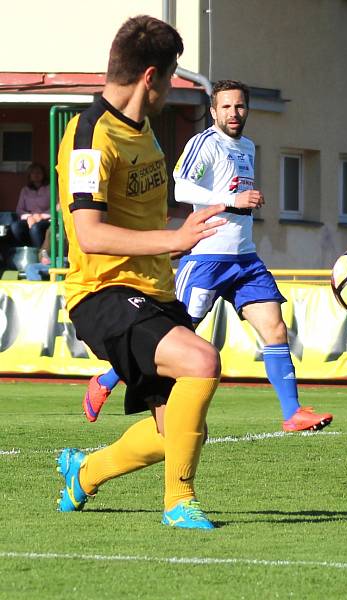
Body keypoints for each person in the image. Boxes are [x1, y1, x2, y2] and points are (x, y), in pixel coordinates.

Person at [55, 15, 229, 529]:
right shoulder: (90, 136)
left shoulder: (144, 129)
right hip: (103, 292)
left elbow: (139, 215)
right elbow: (90, 234)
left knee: (175, 430)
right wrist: (174, 241)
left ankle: (83, 474)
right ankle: (179, 502)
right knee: (202, 360)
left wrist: (186, 225)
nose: (174, 87)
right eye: (173, 75)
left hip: (153, 291)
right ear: (150, 76)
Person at [81, 80, 333, 433]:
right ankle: (106, 380)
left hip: (245, 259)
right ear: (214, 111)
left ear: (247, 110)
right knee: (175, 335)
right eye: (226, 107)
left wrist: (240, 202)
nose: (234, 113)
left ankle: (292, 412)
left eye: (240, 106)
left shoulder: (246, 146)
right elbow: (181, 185)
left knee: (276, 328)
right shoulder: (205, 143)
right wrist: (231, 201)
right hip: (207, 257)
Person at [11, 162, 50, 249]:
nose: (36, 175)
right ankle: (26, 251)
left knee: (35, 228)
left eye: (39, 172)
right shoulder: (25, 190)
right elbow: (19, 209)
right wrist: (29, 217)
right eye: (33, 173)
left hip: (46, 220)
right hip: (29, 219)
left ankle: (40, 254)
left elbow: (56, 207)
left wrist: (41, 216)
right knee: (15, 227)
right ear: (30, 175)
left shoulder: (50, 188)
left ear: (44, 174)